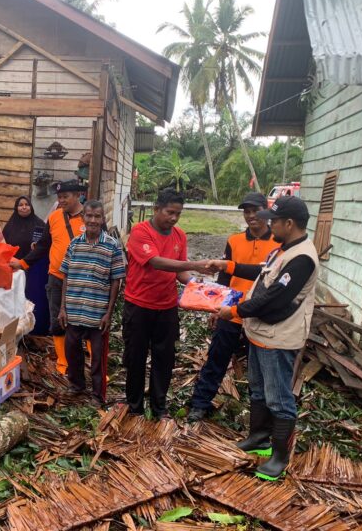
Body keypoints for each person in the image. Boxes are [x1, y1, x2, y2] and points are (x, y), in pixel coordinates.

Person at [207, 196, 318, 481]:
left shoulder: (302, 258)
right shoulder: (283, 250)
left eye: (275, 220)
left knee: (279, 398)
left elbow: (273, 298)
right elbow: (261, 272)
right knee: (258, 389)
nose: (270, 224)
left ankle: (279, 457)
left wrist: (233, 311)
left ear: (289, 223)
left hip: (278, 338)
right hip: (260, 333)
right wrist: (228, 266)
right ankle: (259, 437)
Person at [187, 192, 279, 422]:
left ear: (265, 211)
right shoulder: (234, 240)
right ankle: (200, 404)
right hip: (231, 310)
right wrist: (216, 307)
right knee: (216, 358)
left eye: (255, 210)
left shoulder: (278, 243)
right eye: (247, 212)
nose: (251, 216)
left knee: (258, 367)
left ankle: (259, 414)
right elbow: (225, 277)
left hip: (260, 314)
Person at [123, 188, 211, 418]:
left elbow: (179, 273)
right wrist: (193, 265)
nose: (173, 218)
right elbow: (156, 262)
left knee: (164, 358)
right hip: (139, 305)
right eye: (169, 212)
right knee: (136, 357)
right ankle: (134, 407)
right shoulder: (140, 231)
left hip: (167, 306)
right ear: (156, 209)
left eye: (178, 214)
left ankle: (159, 407)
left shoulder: (179, 235)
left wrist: (199, 287)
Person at [10, 179, 87, 374]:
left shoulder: (90, 217)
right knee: (56, 320)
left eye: (65, 197)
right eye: (59, 197)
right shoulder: (54, 217)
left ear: (77, 195)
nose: (61, 201)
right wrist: (23, 263)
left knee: (84, 320)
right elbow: (43, 245)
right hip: (56, 276)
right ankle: (62, 362)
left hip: (83, 280)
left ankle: (89, 362)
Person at [58, 200, 125, 407]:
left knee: (98, 357)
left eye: (97, 216)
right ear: (83, 218)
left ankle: (97, 394)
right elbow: (66, 276)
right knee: (72, 350)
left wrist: (109, 312)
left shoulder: (112, 246)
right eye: (89, 216)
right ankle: (77, 385)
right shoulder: (74, 244)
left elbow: (116, 280)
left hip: (98, 312)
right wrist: (62, 308)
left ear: (103, 219)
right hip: (74, 308)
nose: (93, 220)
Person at [2, 195, 50, 335]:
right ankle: (16, 328)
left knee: (31, 296)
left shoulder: (40, 225)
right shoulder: (10, 225)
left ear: (31, 207)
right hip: (14, 269)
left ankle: (33, 327)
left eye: (26, 204)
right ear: (16, 208)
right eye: (20, 205)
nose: (24, 207)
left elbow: (44, 246)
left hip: (33, 269)